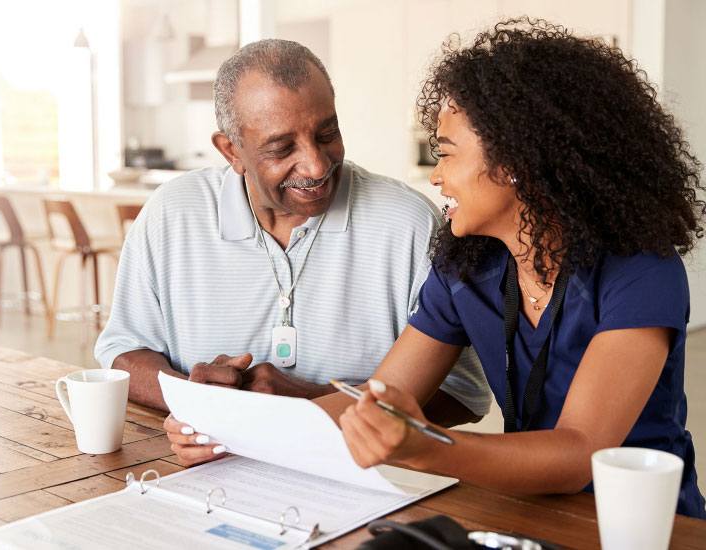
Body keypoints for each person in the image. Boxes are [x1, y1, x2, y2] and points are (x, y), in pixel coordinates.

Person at [167, 18, 705, 518]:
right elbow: (373, 401)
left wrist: (428, 447)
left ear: (516, 163)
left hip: (646, 525)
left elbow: (578, 452)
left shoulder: (639, 272)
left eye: (445, 153)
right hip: (524, 510)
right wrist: (224, 430)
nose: (436, 177)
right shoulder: (464, 268)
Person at [94, 39, 492, 426]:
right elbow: (123, 352)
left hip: (367, 481)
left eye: (326, 134)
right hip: (207, 469)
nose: (317, 166)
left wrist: (307, 405)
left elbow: (463, 394)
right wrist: (202, 405)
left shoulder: (410, 223)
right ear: (231, 151)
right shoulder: (172, 213)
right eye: (282, 148)